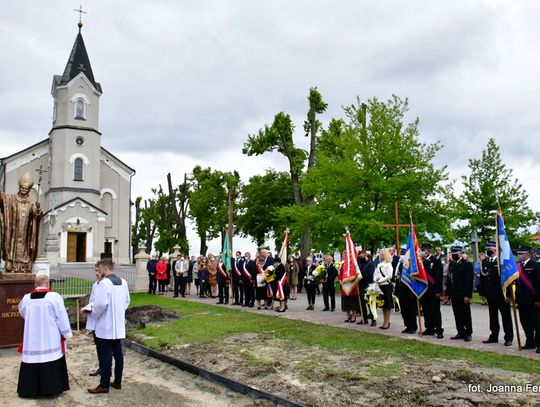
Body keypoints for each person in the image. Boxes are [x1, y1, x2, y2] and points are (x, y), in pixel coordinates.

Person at [17, 274, 72, 398]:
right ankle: (51, 389)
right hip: (49, 336)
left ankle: (30, 390)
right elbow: (62, 317)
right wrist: (66, 332)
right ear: (47, 284)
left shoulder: (26, 298)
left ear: (35, 284)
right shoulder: (54, 297)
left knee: (32, 361)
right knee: (50, 359)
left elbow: (21, 311)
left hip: (32, 337)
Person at [88, 259, 130, 394]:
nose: (98, 271)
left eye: (99, 268)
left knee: (106, 355)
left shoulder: (104, 283)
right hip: (118, 324)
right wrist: (118, 312)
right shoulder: (123, 282)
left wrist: (92, 313)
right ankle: (117, 381)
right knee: (118, 354)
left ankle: (104, 384)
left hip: (105, 324)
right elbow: (127, 301)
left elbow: (100, 304)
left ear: (105, 268)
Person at [0, 172, 43, 273]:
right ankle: (11, 267)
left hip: (26, 234)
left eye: (26, 189)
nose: (23, 190)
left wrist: (37, 210)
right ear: (19, 187)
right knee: (12, 248)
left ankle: (24, 267)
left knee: (25, 250)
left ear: (29, 189)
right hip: (13, 233)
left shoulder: (32, 202)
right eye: (22, 188)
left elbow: (37, 216)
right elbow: (2, 199)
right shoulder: (10, 199)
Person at [478, 243, 513, 346]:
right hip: (490, 294)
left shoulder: (503, 262)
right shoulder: (484, 262)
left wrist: (509, 295)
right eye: (487, 248)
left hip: (502, 294)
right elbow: (483, 279)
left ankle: (509, 337)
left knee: (506, 317)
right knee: (493, 316)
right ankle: (494, 336)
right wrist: (482, 293)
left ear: (496, 249)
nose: (488, 250)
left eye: (490, 248)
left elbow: (509, 279)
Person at [515, 246, 540, 352]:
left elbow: (539, 284)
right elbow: (515, 283)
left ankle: (539, 344)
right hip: (522, 300)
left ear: (529, 254)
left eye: (522, 253)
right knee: (525, 322)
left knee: (537, 323)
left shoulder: (536, 266)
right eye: (519, 253)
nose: (520, 255)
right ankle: (530, 342)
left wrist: (538, 299)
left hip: (533, 300)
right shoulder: (518, 266)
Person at [447, 245, 474, 342]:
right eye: (453, 254)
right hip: (454, 294)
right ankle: (460, 331)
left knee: (465, 314)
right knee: (457, 314)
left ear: (461, 254)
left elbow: (469, 281)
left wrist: (468, 295)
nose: (454, 255)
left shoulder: (467, 264)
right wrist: (448, 294)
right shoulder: (452, 264)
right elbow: (450, 280)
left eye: (456, 254)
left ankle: (468, 333)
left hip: (463, 294)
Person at [420, 243, 444, 338]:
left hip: (433, 290)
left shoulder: (436, 261)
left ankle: (439, 330)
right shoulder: (421, 262)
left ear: (428, 250)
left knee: (435, 311)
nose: (422, 252)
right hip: (424, 290)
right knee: (426, 310)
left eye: (423, 250)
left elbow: (439, 277)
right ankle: (429, 328)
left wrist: (438, 291)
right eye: (421, 250)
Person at [85, 262, 104, 377]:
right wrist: (88, 308)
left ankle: (107, 368)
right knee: (98, 344)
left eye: (98, 271)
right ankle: (101, 366)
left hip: (103, 319)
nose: (97, 273)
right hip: (95, 319)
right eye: (95, 271)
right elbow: (92, 300)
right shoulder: (95, 285)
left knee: (106, 347)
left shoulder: (107, 285)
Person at [394, 248, 417, 333]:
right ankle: (407, 325)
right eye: (401, 254)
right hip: (401, 289)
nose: (402, 256)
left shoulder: (411, 265)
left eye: (404, 254)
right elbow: (397, 276)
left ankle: (413, 327)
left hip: (409, 290)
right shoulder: (400, 263)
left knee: (410, 309)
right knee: (403, 310)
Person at [374, 249, 394, 329]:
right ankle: (384, 322)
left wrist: (381, 280)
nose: (380, 256)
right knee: (383, 305)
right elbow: (375, 273)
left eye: (381, 254)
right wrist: (376, 280)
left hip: (386, 286)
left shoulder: (389, 264)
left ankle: (387, 322)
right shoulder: (379, 264)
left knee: (387, 306)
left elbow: (389, 276)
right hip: (380, 286)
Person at [357, 251, 375, 326]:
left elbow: (370, 274)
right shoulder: (358, 263)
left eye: (362, 256)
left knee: (370, 303)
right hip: (361, 285)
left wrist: (361, 277)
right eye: (359, 256)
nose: (360, 257)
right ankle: (364, 319)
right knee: (362, 303)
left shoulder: (370, 263)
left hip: (368, 285)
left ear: (365, 255)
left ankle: (374, 319)